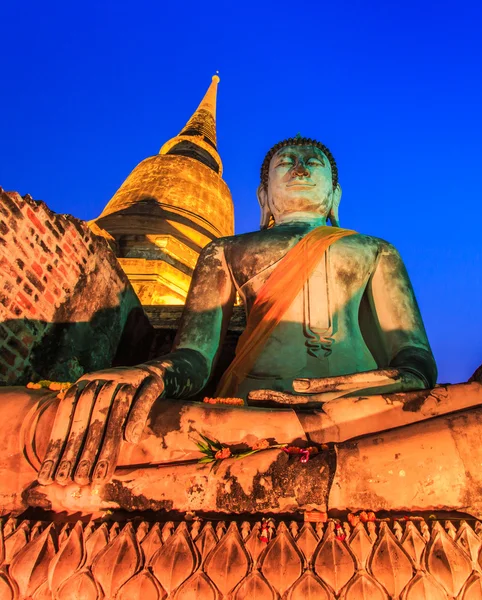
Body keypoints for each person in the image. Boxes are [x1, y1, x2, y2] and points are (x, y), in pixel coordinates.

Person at [37, 136, 437, 487]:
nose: (299, 168)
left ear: (335, 196)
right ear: (263, 197)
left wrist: (393, 380)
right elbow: (195, 358)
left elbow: (413, 356)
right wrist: (151, 374)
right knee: (41, 419)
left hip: (364, 408)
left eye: (313, 164)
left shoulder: (375, 250)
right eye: (286, 163)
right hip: (248, 413)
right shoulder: (224, 251)